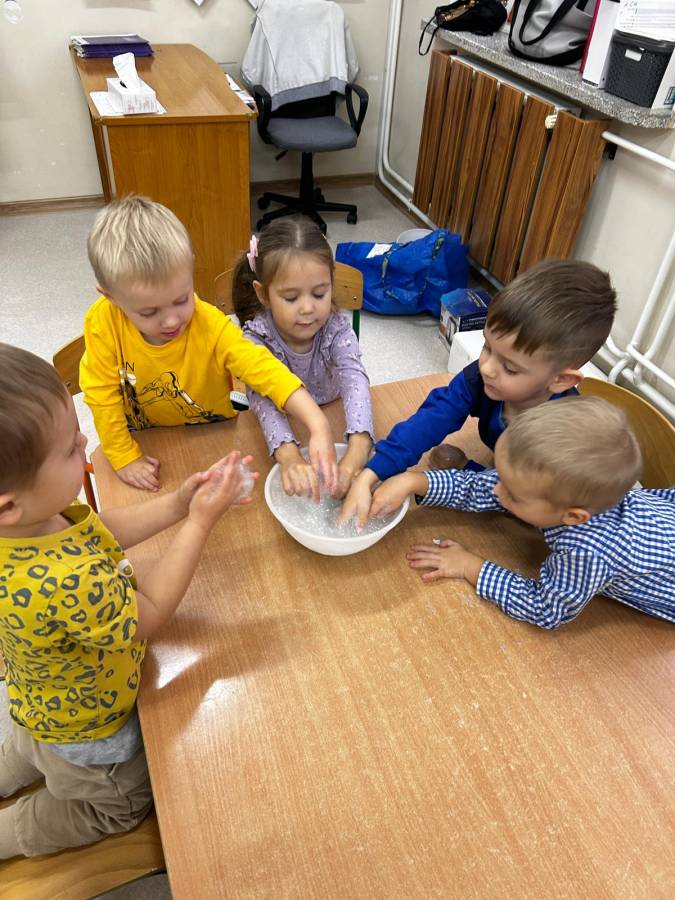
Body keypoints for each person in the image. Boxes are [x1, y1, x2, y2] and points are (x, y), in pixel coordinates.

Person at [0, 344, 258, 858]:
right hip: (92, 733)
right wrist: (200, 523)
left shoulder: (31, 525)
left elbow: (101, 532)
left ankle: (20, 761)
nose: (84, 441)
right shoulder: (67, 582)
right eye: (69, 450)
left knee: (32, 748)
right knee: (119, 805)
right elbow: (150, 613)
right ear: (7, 505)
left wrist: (178, 504)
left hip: (40, 705)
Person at [80, 196, 337, 493]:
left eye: (181, 299)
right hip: (145, 438)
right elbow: (100, 395)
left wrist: (317, 423)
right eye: (149, 312)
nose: (171, 321)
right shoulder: (102, 323)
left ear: (190, 268)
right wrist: (124, 457)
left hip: (213, 433)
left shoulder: (209, 323)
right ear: (110, 296)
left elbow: (262, 368)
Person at [340, 259, 617, 527]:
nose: (487, 368)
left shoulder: (564, 438)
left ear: (560, 380)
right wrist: (373, 472)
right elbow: (433, 418)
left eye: (510, 368)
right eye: (487, 347)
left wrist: (461, 471)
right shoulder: (484, 377)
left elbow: (520, 501)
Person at [386, 396, 674, 629]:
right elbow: (483, 487)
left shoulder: (587, 553)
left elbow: (544, 608)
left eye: (512, 494)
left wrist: (469, 565)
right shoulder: (552, 491)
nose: (497, 491)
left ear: (573, 517)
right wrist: (415, 481)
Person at [233, 218, 374, 500]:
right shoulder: (257, 338)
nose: (308, 308)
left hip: (334, 410)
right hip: (287, 420)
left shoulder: (335, 328)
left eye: (320, 293)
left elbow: (354, 380)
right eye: (291, 298)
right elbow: (262, 400)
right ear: (263, 294)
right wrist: (289, 456)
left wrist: (359, 447)